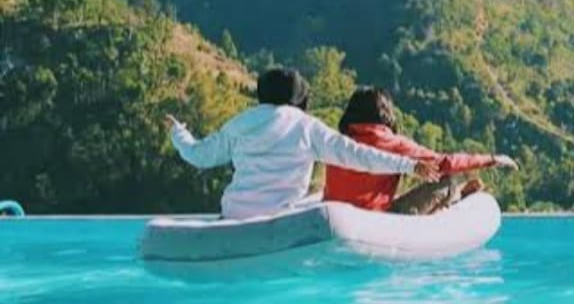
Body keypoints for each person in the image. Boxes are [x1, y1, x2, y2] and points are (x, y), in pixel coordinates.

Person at [165, 68, 440, 220]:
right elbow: (358, 155)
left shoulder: (240, 123)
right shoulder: (305, 126)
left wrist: (179, 133)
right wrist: (409, 164)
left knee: (315, 196)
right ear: (300, 99)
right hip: (279, 222)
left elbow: (198, 155)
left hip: (234, 214)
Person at [323, 86, 518, 215]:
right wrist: (491, 159)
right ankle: (457, 195)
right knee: (447, 181)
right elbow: (444, 163)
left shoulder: (335, 142)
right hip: (380, 220)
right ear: (386, 113)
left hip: (338, 217)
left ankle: (457, 194)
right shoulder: (393, 143)